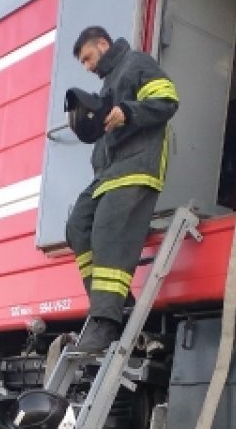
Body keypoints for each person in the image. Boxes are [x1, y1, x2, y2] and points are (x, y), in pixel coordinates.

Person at [64, 25, 179, 354]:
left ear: (103, 43)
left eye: (88, 58)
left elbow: (167, 100)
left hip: (135, 167)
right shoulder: (106, 86)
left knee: (107, 231)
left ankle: (105, 323)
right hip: (107, 173)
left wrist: (128, 112)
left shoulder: (137, 63)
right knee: (77, 228)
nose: (87, 66)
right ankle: (116, 306)